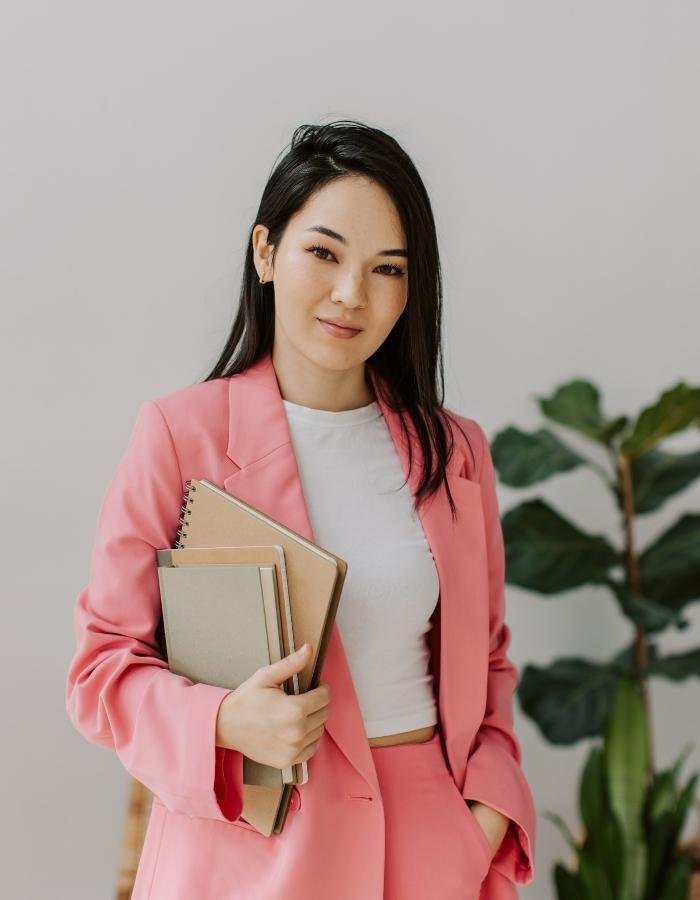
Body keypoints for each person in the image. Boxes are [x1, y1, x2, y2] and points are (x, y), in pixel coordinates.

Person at [65, 119, 536, 899]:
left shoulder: (458, 454)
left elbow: (487, 660)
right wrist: (221, 722)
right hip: (253, 849)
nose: (352, 294)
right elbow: (100, 668)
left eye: (388, 268)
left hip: (433, 848)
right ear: (266, 252)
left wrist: (481, 819)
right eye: (324, 252)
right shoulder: (180, 437)